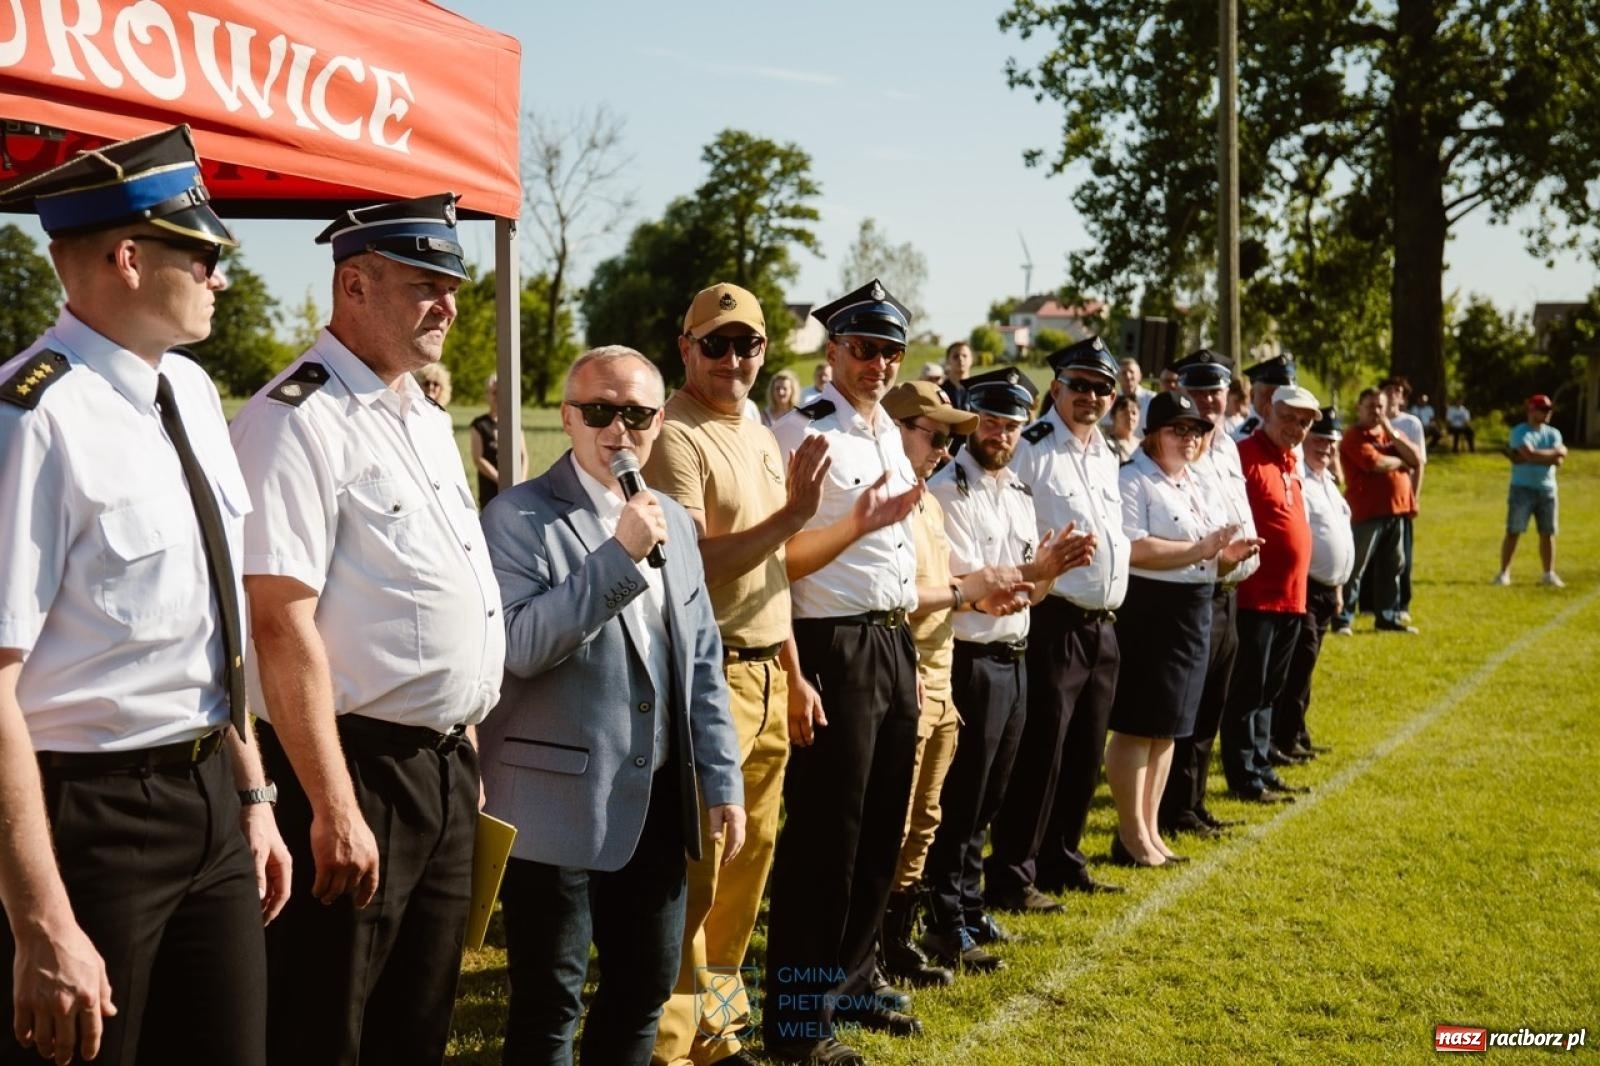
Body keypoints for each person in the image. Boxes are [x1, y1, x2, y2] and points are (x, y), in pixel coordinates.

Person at [0, 124, 286, 1066]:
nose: (220, 275)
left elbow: (211, 625)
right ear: (129, 256)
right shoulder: (30, 418)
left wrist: (251, 795)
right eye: (201, 253)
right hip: (90, 821)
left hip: (210, 791)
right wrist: (40, 920)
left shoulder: (194, 394)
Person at [229, 193, 507, 1066]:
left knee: (415, 1025)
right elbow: (279, 625)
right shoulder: (293, 420)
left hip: (439, 769)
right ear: (355, 282)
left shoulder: (418, 414)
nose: (450, 305)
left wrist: (459, 738)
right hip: (350, 773)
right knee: (324, 1025)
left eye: (453, 286)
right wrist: (335, 804)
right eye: (427, 283)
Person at [479, 346, 745, 1065]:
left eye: (635, 414)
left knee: (643, 991)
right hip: (552, 803)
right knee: (549, 1005)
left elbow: (701, 662)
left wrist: (721, 781)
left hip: (658, 799)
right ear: (567, 417)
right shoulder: (517, 516)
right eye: (599, 411)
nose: (616, 429)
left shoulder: (677, 525)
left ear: (658, 422)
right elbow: (523, 645)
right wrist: (617, 558)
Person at [642, 284, 827, 1066]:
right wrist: (788, 516)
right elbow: (692, 564)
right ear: (684, 348)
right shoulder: (673, 435)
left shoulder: (753, 428)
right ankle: (672, 1047)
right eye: (715, 344)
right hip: (707, 675)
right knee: (696, 874)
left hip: (766, 674)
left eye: (746, 344)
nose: (732, 359)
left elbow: (772, 572)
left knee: (747, 876)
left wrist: (794, 670)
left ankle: (719, 1033)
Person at [764, 280, 927, 1062]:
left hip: (893, 643)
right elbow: (778, 563)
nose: (880, 364)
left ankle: (854, 981)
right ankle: (798, 1026)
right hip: (832, 645)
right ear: (832, 350)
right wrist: (797, 674)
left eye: (891, 351)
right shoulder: (801, 431)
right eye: (864, 348)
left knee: (879, 832)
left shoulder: (887, 433)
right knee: (825, 842)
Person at [920, 367, 1094, 969]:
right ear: (972, 422)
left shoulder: (1018, 492)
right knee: (961, 799)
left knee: (991, 795)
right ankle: (943, 919)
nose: (1001, 434)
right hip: (971, 658)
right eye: (991, 421)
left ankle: (969, 906)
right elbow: (977, 588)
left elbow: (1027, 593)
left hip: (1016, 653)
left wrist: (1051, 571)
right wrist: (1032, 572)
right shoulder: (949, 491)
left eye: (1012, 424)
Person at [987, 336, 1131, 908]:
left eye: (1101, 388)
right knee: (1041, 750)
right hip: (1053, 620)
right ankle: (1014, 873)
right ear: (1056, 388)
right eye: (1079, 386)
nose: (1090, 397)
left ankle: (1063, 858)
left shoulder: (1105, 451)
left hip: (1104, 622)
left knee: (1085, 748)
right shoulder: (1035, 446)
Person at [1109, 392, 1259, 861]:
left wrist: (1223, 557)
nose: (1189, 438)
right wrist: (1200, 550)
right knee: (1138, 726)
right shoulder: (1133, 479)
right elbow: (1133, 548)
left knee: (1170, 728)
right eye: (1178, 429)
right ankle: (1131, 834)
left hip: (1194, 607)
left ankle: (1151, 830)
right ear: (1153, 434)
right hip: (1152, 611)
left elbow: (1206, 548)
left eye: (1195, 431)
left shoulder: (1193, 482)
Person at [877, 381, 983, 987]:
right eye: (934, 436)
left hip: (942, 680)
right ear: (895, 428)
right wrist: (971, 590)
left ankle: (896, 939)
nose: (944, 450)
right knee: (889, 823)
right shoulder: (882, 499)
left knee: (925, 819)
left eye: (949, 440)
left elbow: (945, 583)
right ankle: (866, 952)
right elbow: (899, 596)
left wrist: (1010, 580)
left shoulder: (928, 502)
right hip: (906, 677)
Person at [1158, 349, 1261, 836]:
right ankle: (1175, 807)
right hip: (1197, 587)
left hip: (1230, 589)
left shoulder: (1229, 448)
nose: (1207, 401)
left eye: (1215, 391)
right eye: (1198, 392)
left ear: (1227, 395)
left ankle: (1194, 802)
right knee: (1188, 706)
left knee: (1212, 705)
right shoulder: (1187, 447)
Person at [1222, 386, 1319, 803]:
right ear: (1266, 411)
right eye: (1289, 418)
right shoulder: (1244, 454)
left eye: (1304, 422)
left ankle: (1261, 763)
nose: (1296, 428)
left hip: (1292, 597)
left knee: (1270, 689)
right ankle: (1244, 774)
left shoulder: (1292, 462)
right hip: (1255, 595)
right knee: (1248, 688)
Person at [1272, 408, 1354, 761]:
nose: (1326, 448)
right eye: (1320, 440)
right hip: (1304, 585)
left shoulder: (1327, 481)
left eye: (1331, 442)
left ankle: (1297, 731)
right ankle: (1284, 737)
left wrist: (1337, 587)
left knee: (1308, 665)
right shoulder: (1299, 476)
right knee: (1298, 665)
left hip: (1325, 588)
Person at [1334, 388, 1422, 635]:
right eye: (1371, 406)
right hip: (1366, 513)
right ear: (1358, 408)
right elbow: (1375, 464)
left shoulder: (1390, 435)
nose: (1376, 411)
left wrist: (1393, 435)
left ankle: (1387, 616)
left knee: (1393, 565)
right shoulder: (1354, 436)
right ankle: (1343, 618)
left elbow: (1415, 458)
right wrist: (1399, 460)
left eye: (1380, 407)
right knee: (1356, 567)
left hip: (1396, 511)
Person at [1494, 394, 1567, 588]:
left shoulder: (1553, 433)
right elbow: (1529, 452)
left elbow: (1559, 459)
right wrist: (1549, 455)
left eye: (1549, 410)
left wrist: (1532, 456)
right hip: (1522, 488)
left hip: (1547, 489)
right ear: (1531, 410)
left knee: (1547, 532)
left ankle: (1548, 574)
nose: (1547, 413)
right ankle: (1504, 573)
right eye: (1543, 409)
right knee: (1513, 530)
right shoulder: (1520, 431)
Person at [1382, 376, 1426, 624]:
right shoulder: (1372, 420)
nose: (1392, 394)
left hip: (1402, 497)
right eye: (1388, 389)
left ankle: (1402, 603)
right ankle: (1371, 603)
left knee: (1402, 556)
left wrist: (1415, 497)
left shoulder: (1411, 424)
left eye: (1397, 391)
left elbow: (1418, 464)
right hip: (1378, 498)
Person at [470, 373, 528, 508]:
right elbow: (478, 459)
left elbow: (523, 455)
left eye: (501, 392)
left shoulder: (514, 422)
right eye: (494, 392)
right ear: (487, 395)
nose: (498, 396)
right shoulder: (479, 424)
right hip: (490, 490)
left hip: (515, 489)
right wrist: (501, 479)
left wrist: (521, 481)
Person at [1232, 354, 1294, 440]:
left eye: (1284, 395)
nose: (1275, 401)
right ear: (1252, 395)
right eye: (1269, 394)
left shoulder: (1298, 434)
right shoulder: (1241, 438)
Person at [1106, 394, 1141, 462]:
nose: (1130, 416)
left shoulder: (1143, 445)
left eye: (1134, 413)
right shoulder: (1108, 445)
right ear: (1113, 416)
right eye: (1125, 412)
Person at [943, 342, 974, 411]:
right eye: (955, 356)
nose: (960, 359)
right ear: (947, 360)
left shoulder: (979, 390)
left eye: (964, 356)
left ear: (971, 359)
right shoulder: (939, 390)